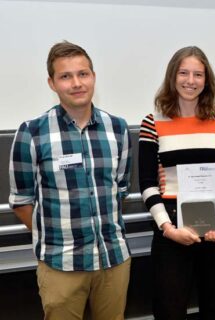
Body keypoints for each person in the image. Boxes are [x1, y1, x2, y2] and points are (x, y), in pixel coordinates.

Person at [9, 41, 132, 320]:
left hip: (113, 259)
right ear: (52, 83)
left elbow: (121, 188)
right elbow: (21, 201)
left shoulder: (118, 129)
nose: (76, 83)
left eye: (83, 74)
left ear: (94, 77)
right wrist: (52, 235)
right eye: (66, 76)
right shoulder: (32, 133)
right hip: (60, 264)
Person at [138, 46, 215, 320]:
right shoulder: (152, 123)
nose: (191, 80)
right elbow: (148, 184)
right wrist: (167, 228)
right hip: (171, 229)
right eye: (184, 73)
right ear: (172, 76)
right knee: (169, 311)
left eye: (198, 74)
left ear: (206, 80)